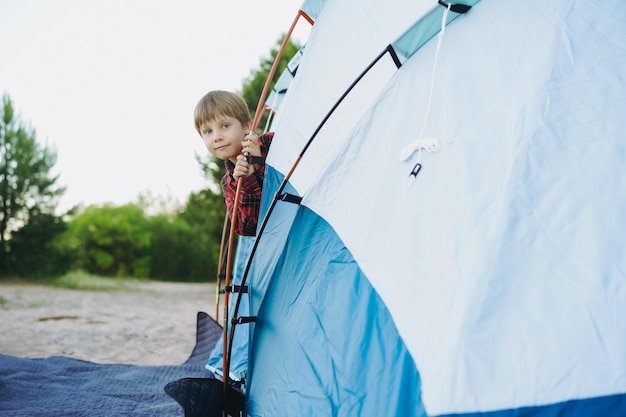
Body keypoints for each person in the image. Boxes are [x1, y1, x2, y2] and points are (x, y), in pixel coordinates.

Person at [194, 90, 274, 236]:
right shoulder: (229, 183)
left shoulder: (270, 143)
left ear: (246, 126)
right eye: (207, 131)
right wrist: (247, 181)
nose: (217, 137)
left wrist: (259, 163)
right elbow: (247, 228)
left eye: (225, 126)